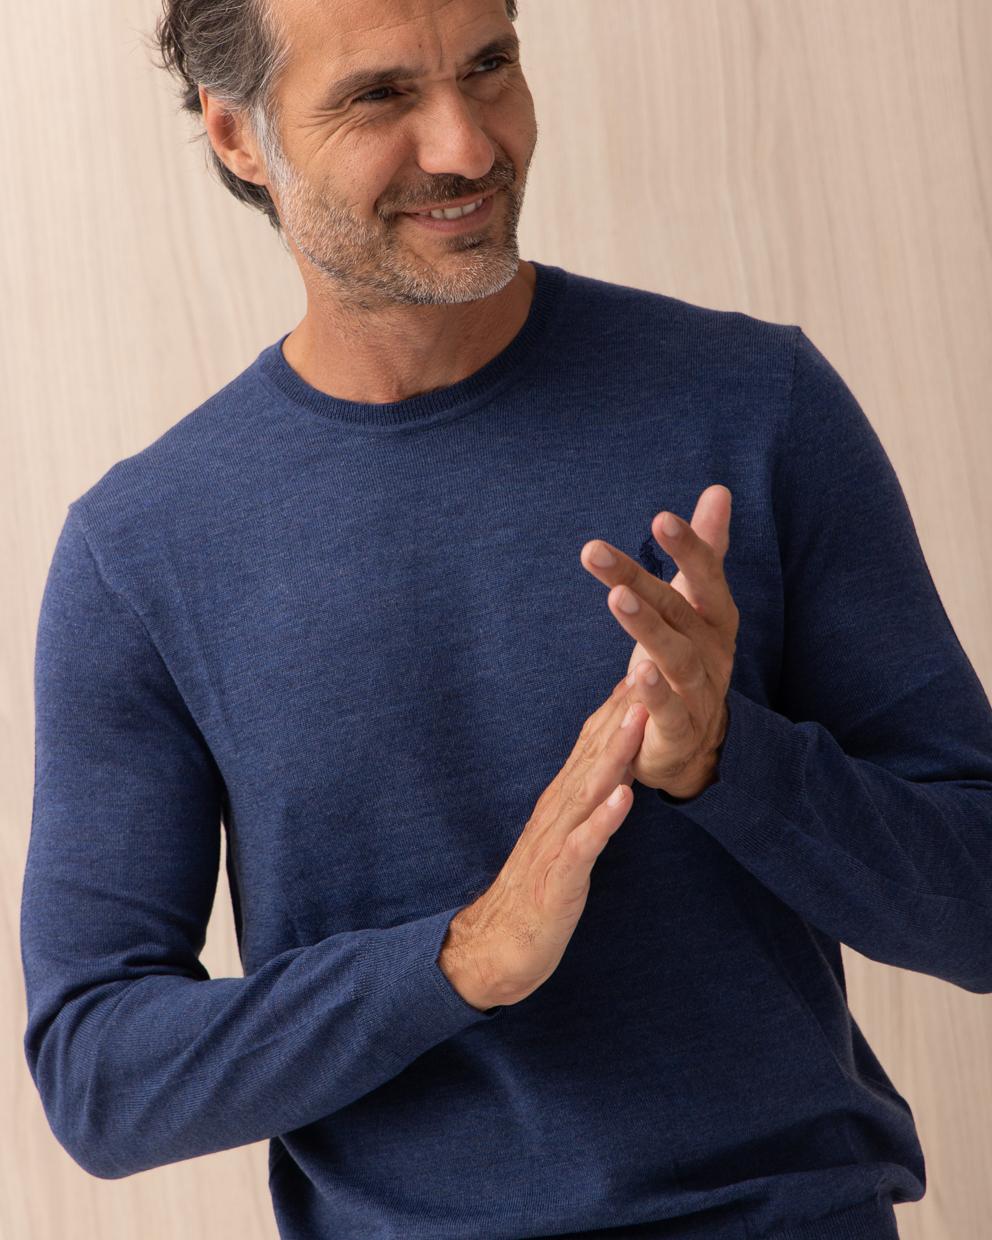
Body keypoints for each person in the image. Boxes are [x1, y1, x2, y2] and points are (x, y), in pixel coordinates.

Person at [20, 1, 992, 1237]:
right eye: (380, 96)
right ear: (237, 134)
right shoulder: (141, 550)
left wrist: (726, 761)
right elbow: (102, 1076)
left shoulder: (756, 405)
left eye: (489, 68)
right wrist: (461, 960)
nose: (468, 147)